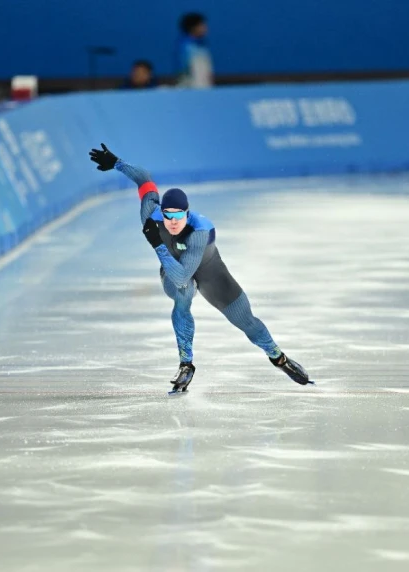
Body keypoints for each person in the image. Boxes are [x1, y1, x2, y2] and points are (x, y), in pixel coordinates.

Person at [88, 143, 312, 393]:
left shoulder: (200, 232)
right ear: (161, 212)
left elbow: (184, 275)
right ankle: (186, 364)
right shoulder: (150, 214)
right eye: (168, 215)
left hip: (210, 272)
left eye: (178, 216)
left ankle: (279, 357)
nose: (173, 222)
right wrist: (117, 163)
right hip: (173, 271)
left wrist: (158, 245)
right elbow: (144, 179)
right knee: (183, 295)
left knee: (246, 321)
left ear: (188, 213)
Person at [176, 12, 213, 88]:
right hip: (190, 88)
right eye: (202, 25)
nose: (206, 28)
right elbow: (184, 71)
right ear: (193, 27)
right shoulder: (185, 46)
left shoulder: (202, 45)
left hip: (205, 87)